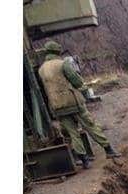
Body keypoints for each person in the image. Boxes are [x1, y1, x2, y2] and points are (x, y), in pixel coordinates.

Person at [37, 40, 120, 169]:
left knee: (72, 132)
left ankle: (84, 160)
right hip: (73, 102)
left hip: (57, 106)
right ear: (57, 51)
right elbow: (76, 80)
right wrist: (85, 90)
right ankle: (109, 150)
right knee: (90, 125)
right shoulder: (62, 64)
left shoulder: (41, 69)